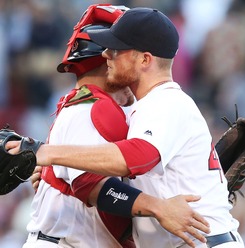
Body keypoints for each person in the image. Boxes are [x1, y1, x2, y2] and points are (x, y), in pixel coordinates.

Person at [7, 5, 211, 248]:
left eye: (114, 50)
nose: (109, 56)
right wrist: (158, 207)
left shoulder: (107, 110)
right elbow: (92, 186)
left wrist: (201, 188)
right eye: (110, 52)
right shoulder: (91, 107)